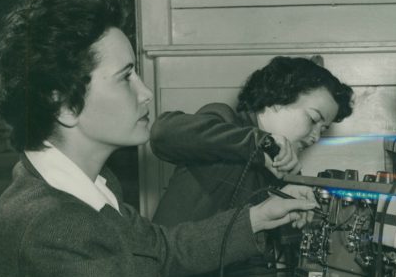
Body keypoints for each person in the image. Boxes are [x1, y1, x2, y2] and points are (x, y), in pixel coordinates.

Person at [0, 0, 374, 277]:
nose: (145, 92)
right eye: (125, 77)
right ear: (64, 103)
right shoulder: (50, 221)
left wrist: (258, 219)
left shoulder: (91, 185)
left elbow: (161, 248)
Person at [150, 56, 354, 226]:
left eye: (323, 129)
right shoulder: (225, 120)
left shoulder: (285, 168)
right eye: (313, 120)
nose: (315, 137)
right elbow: (162, 132)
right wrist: (260, 143)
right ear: (279, 99)